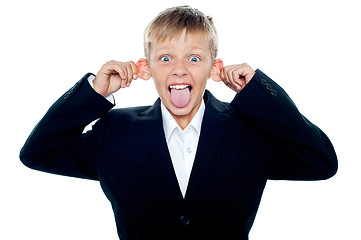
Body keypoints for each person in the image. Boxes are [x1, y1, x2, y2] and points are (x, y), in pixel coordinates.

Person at [19, 5, 338, 240]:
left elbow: (320, 162)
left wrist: (260, 95)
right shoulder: (114, 131)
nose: (180, 69)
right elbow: (39, 153)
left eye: (195, 58)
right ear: (146, 68)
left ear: (215, 68)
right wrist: (93, 92)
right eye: (166, 58)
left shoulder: (249, 129)